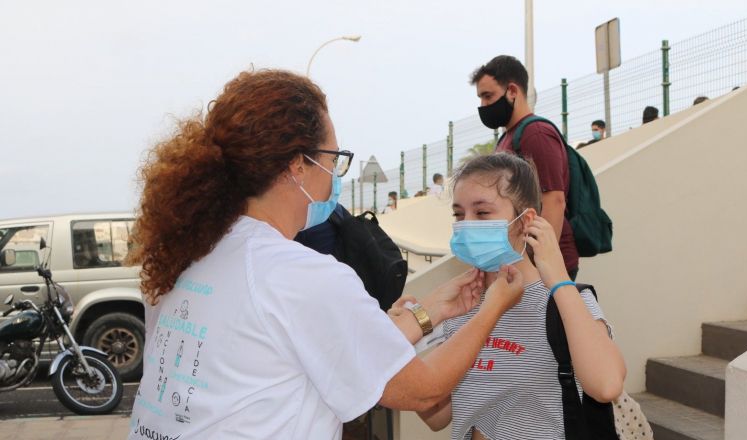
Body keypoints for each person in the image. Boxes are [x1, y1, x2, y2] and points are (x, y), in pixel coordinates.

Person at [125, 69, 525, 440]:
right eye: (333, 160)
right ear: (298, 165)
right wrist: (493, 307)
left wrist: (428, 313)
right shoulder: (298, 274)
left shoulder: (189, 253)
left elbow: (319, 344)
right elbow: (423, 393)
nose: (335, 176)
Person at [410, 153, 625, 440]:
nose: (466, 224)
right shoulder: (459, 308)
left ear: (525, 221)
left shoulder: (561, 303)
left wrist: (559, 279)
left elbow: (607, 385)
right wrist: (406, 332)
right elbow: (437, 415)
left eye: (482, 213)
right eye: (459, 214)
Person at [470, 55, 579, 280]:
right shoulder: (507, 138)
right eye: (480, 97)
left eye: (488, 96)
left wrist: (539, 263)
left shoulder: (536, 133)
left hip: (541, 266)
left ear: (512, 91)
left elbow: (554, 200)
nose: (483, 105)